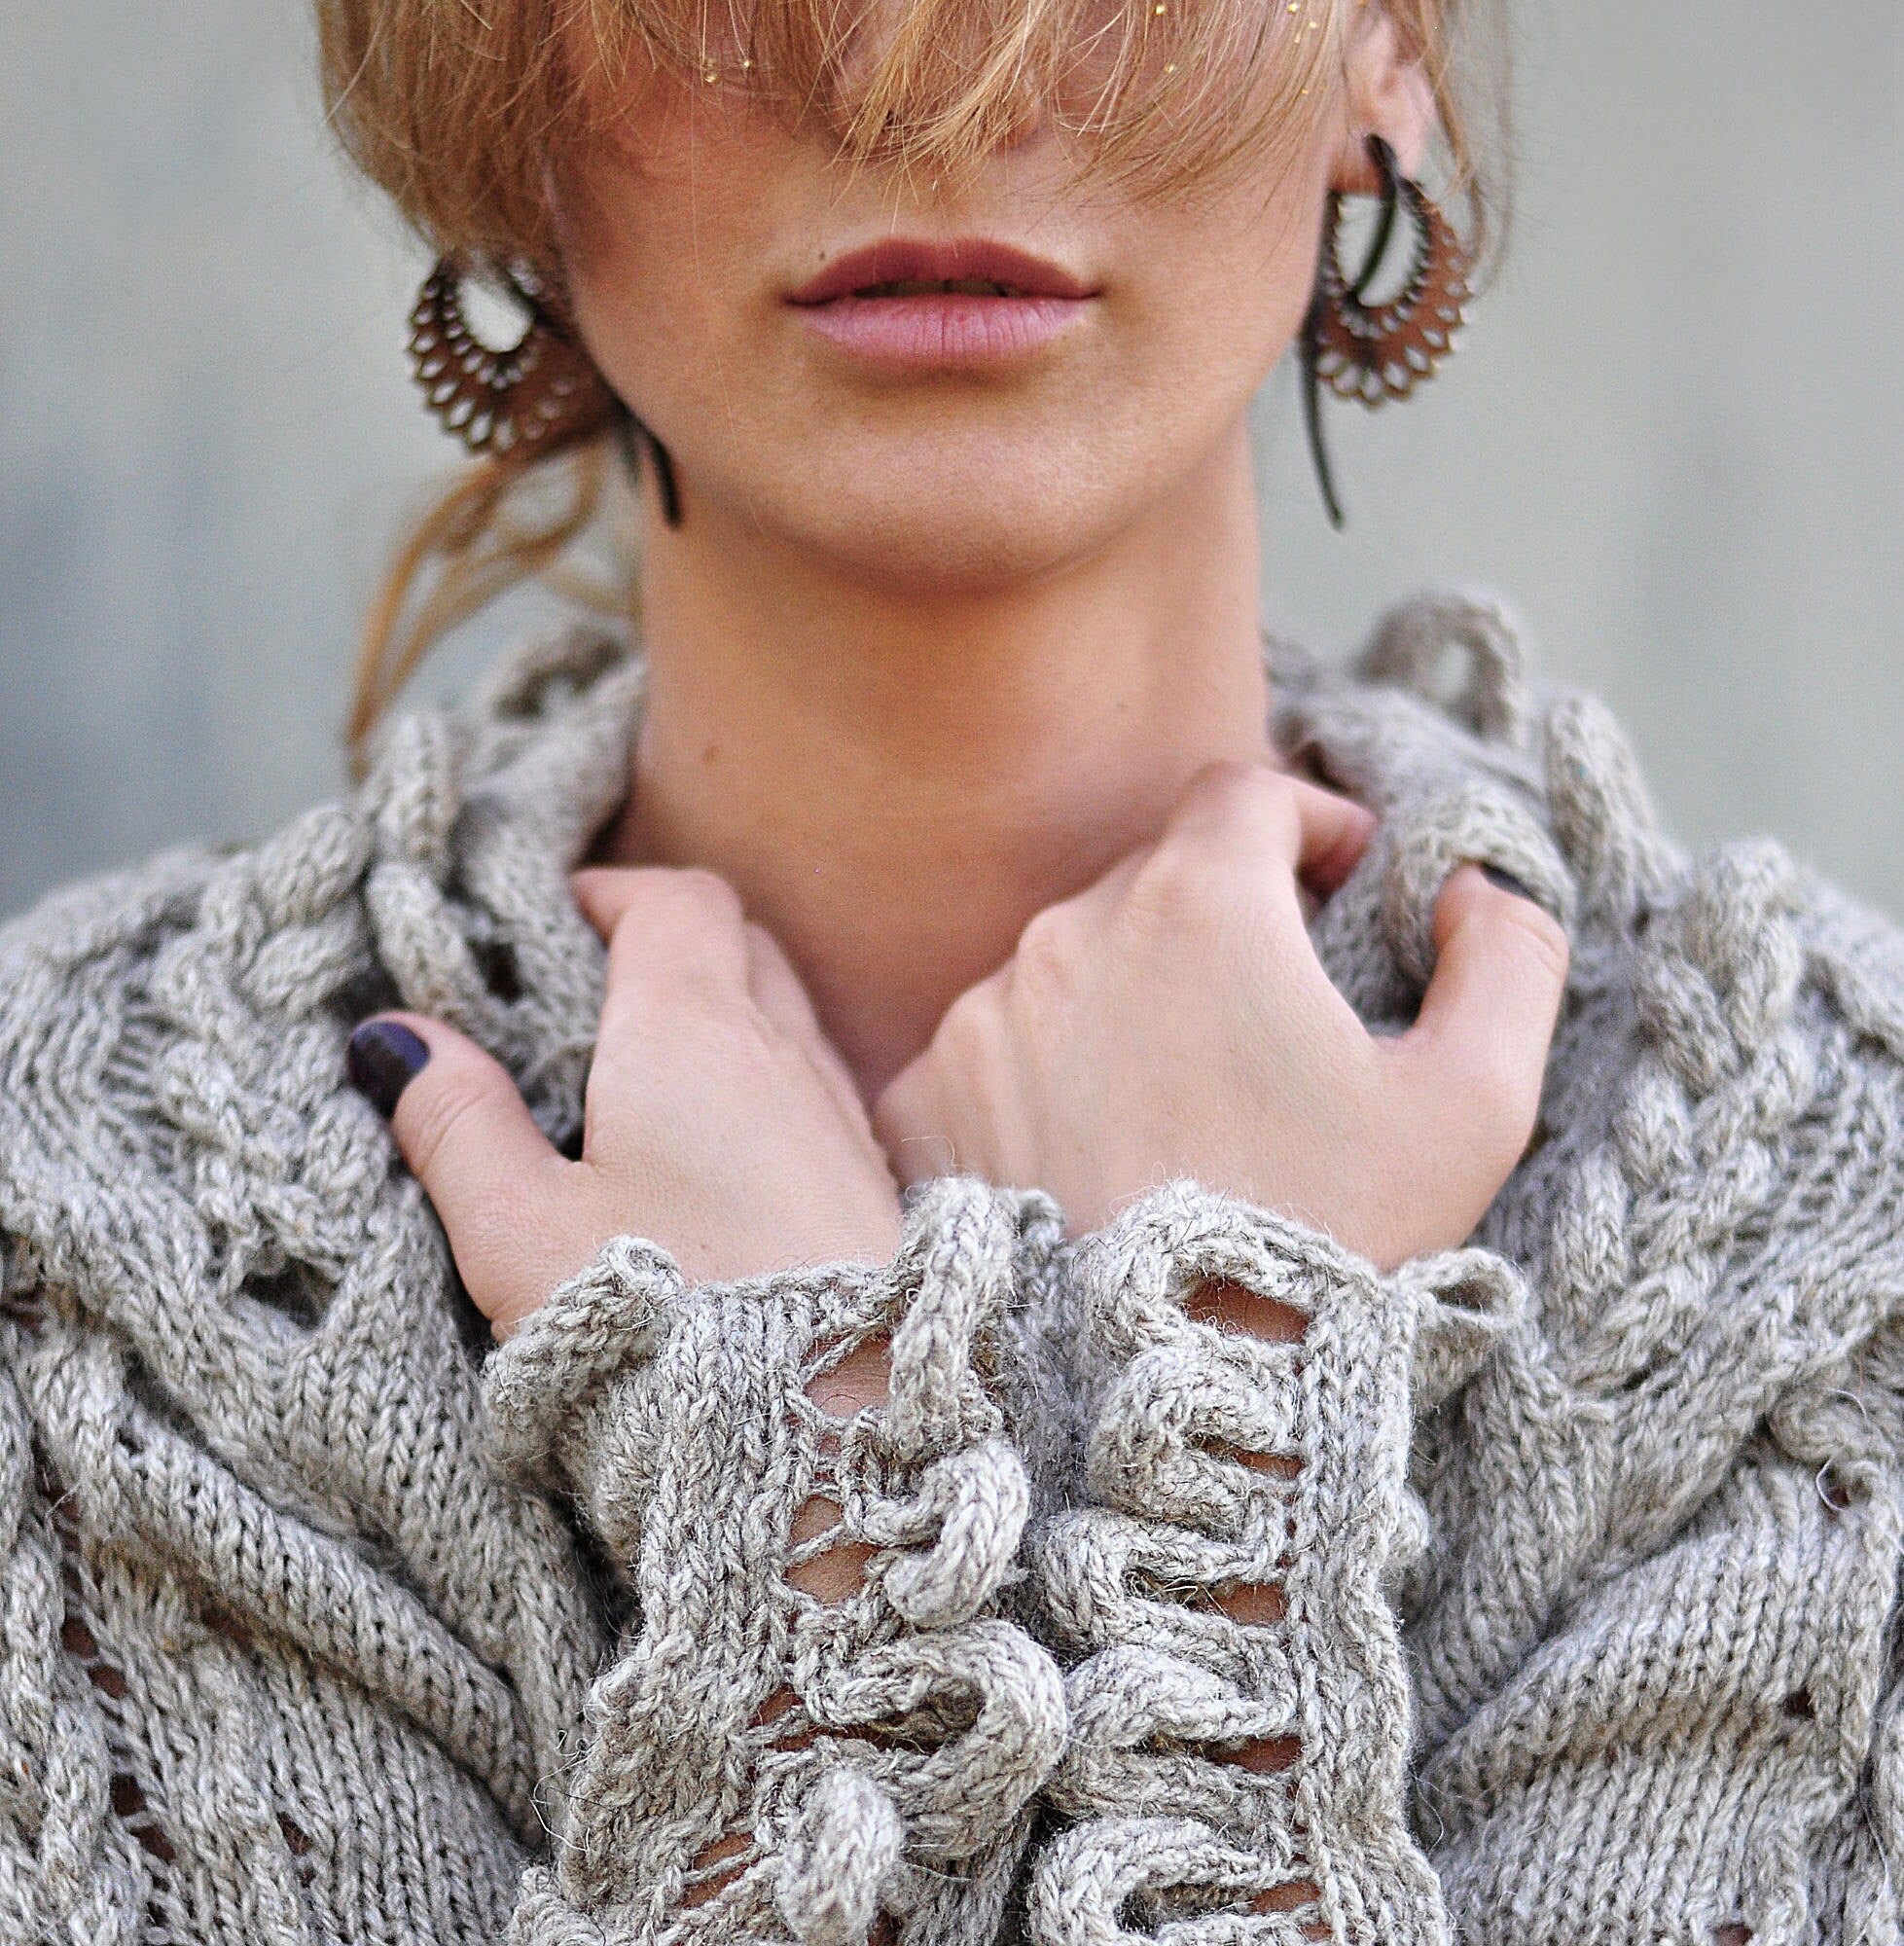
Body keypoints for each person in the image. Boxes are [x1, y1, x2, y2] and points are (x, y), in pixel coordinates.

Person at [2, 0, 1897, 1941]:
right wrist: (805, 1515)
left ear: (1379, 51)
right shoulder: (71, 1250)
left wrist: (1218, 1431)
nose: (922, 82)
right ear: (499, 76)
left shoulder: (1847, 1267)